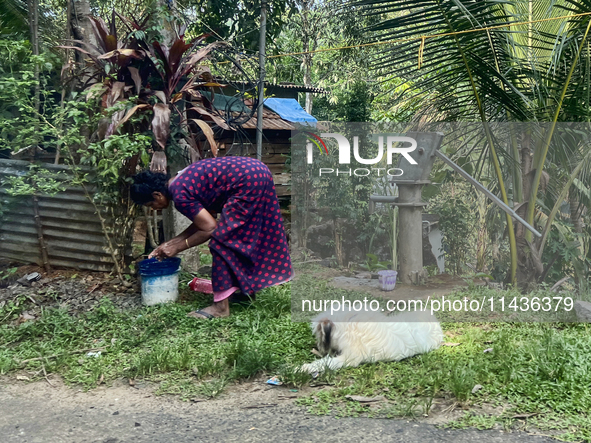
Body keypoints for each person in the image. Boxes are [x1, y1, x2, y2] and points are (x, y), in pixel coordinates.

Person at [130, 156, 292, 319]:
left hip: (247, 180)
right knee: (243, 239)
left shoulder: (179, 195)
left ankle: (220, 308)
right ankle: (245, 293)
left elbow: (209, 228)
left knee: (221, 242)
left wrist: (177, 247)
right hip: (257, 171)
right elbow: (203, 222)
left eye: (151, 205)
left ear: (157, 195)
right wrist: (170, 243)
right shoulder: (180, 181)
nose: (155, 209)